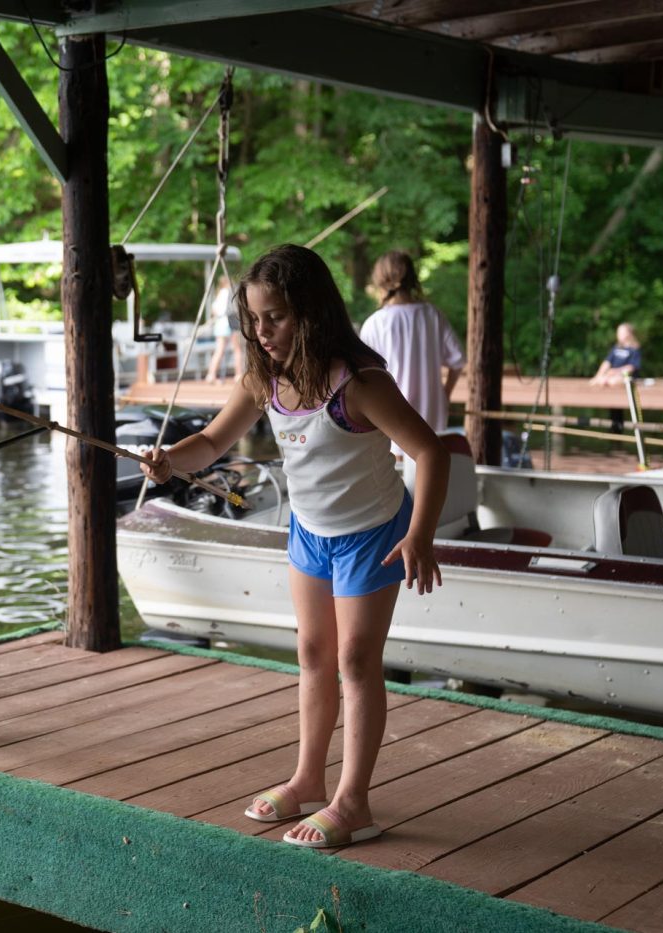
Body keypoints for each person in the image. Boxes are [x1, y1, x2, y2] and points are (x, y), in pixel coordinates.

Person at [141, 244, 448, 849]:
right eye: (254, 319)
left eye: (275, 317)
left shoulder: (358, 382)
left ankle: (353, 801)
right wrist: (171, 460)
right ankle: (308, 779)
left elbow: (430, 451)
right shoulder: (263, 379)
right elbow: (212, 442)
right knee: (312, 651)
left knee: (356, 660)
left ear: (310, 312)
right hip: (309, 532)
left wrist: (421, 533)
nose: (262, 332)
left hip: (372, 532)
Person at [358, 250, 465, 456]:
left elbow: (364, 377)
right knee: (430, 461)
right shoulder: (432, 315)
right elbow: (458, 361)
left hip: (391, 419)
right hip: (432, 415)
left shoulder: (375, 323)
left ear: (381, 281)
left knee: (399, 472)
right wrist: (445, 395)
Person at [204, 275, 243, 382]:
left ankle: (211, 375)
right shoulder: (232, 291)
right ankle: (238, 375)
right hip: (232, 322)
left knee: (219, 350)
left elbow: (214, 310)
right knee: (237, 349)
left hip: (220, 324)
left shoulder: (219, 293)